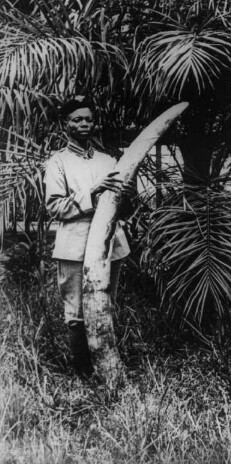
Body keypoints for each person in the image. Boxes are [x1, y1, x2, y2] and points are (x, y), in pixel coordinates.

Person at [45, 97, 133, 377]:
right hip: (75, 245)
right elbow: (55, 206)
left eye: (89, 119)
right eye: (77, 120)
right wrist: (92, 192)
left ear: (95, 123)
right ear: (65, 125)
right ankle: (83, 372)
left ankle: (106, 364)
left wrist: (127, 197)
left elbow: (126, 205)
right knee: (76, 311)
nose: (84, 124)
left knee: (106, 304)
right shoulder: (57, 163)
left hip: (110, 245)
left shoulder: (109, 160)